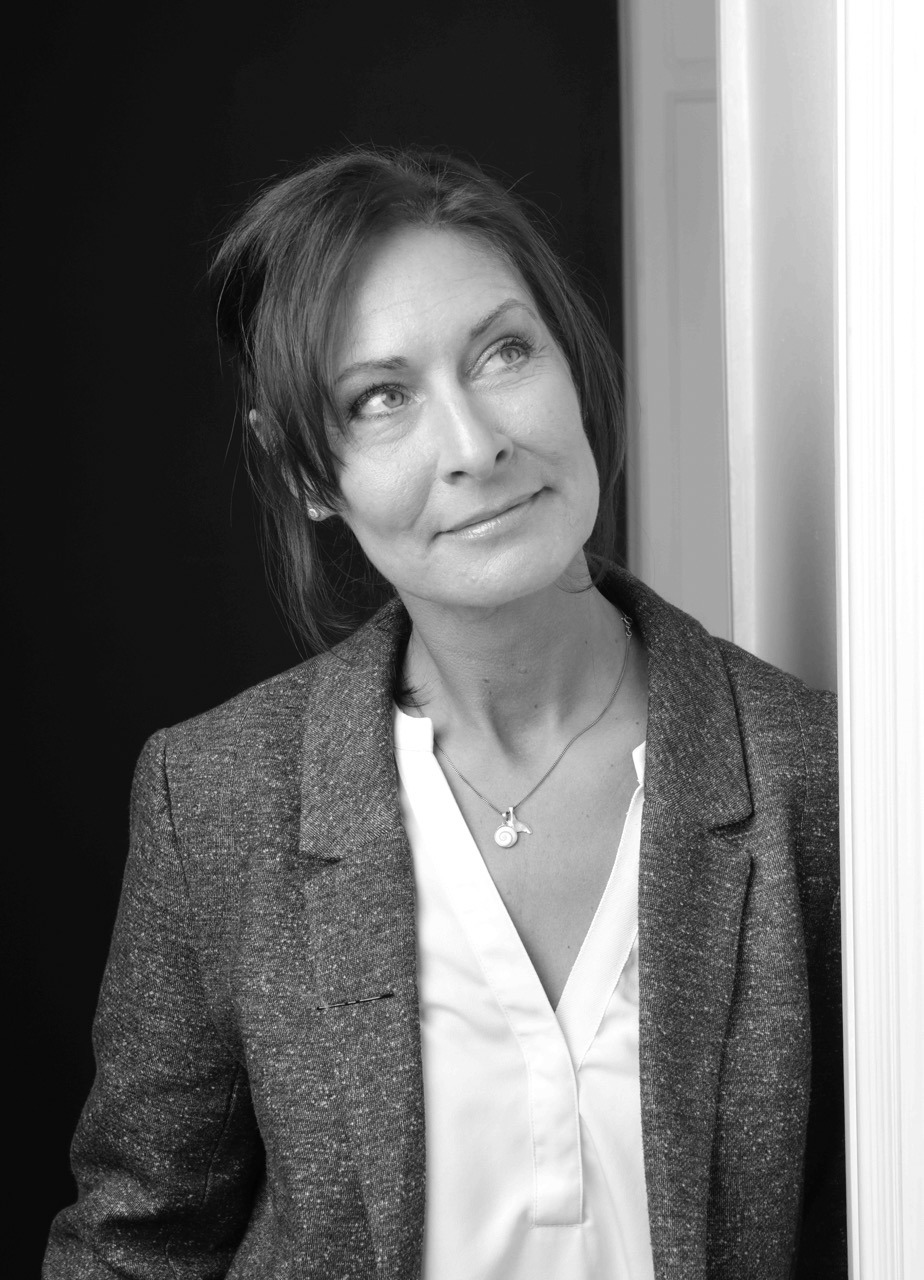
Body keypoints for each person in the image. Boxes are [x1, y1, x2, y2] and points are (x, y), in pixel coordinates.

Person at [44, 147, 845, 1278]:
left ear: (571, 362)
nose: (476, 445)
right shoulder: (215, 794)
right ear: (304, 475)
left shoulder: (821, 775)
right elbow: (136, 1243)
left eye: (505, 351)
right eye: (382, 398)